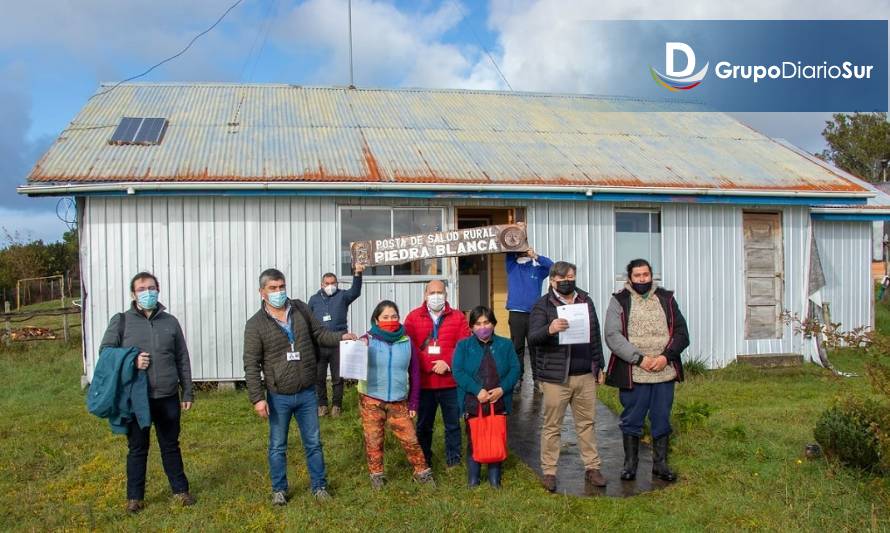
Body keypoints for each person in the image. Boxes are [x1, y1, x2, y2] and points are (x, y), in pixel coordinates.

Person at [243, 268, 356, 505]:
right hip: (278, 396)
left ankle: (319, 486)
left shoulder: (301, 309)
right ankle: (279, 490)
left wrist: (341, 337)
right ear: (262, 292)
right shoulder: (255, 324)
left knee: (313, 443)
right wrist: (257, 398)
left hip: (307, 392)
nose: (279, 292)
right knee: (277, 446)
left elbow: (320, 333)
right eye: (273, 288)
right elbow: (251, 364)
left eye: (281, 286)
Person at [99, 272, 195, 514]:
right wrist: (131, 360)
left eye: (151, 288)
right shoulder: (121, 321)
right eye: (141, 289)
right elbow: (106, 352)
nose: (147, 292)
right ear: (133, 294)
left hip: (167, 395)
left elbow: (182, 358)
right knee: (138, 448)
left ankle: (180, 491)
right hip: (136, 398)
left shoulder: (170, 322)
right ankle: (135, 498)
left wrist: (188, 392)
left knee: (171, 445)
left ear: (158, 290)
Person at [604, 258, 689, 483]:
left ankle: (660, 465)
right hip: (634, 372)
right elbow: (612, 335)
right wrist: (639, 359)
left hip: (663, 371)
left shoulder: (666, 299)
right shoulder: (619, 301)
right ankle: (630, 465)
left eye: (646, 275)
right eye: (637, 276)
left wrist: (665, 357)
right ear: (629, 278)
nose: (642, 279)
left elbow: (681, 333)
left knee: (661, 418)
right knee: (632, 418)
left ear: (651, 276)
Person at [528, 261, 606, 492]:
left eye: (571, 277)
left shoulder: (585, 301)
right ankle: (550, 471)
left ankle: (592, 467)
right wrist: (550, 329)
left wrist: (599, 365)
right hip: (556, 378)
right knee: (552, 426)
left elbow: (595, 334)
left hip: (584, 375)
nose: (567, 281)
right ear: (552, 281)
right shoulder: (542, 306)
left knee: (587, 424)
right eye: (562, 279)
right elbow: (533, 338)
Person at [357, 300, 435, 489]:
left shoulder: (406, 341)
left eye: (394, 316)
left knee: (410, 439)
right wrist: (358, 346)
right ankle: (376, 475)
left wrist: (414, 402)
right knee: (374, 439)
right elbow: (353, 361)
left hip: (399, 401)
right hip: (371, 398)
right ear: (376, 320)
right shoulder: (367, 339)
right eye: (385, 317)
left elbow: (415, 373)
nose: (390, 320)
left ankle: (422, 473)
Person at [404, 280, 471, 468]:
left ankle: (454, 460)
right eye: (432, 292)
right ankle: (423, 460)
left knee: (453, 425)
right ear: (425, 295)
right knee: (424, 425)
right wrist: (427, 364)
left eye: (439, 292)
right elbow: (409, 346)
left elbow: (463, 345)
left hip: (450, 383)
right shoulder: (413, 318)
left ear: (446, 295)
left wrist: (447, 363)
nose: (436, 296)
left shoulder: (458, 317)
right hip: (424, 384)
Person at [452, 306, 520, 488]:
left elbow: (515, 369)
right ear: (472, 327)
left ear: (494, 324)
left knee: (496, 437)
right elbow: (458, 371)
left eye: (486, 322)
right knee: (474, 438)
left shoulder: (505, 345)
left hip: (498, 400)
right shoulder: (463, 346)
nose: (483, 327)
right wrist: (476, 390)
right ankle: (473, 479)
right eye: (478, 323)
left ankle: (494, 479)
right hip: (473, 402)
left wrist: (501, 389)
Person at [308, 264, 364, 418]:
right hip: (319, 344)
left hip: (340, 343)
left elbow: (356, 291)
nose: (330, 286)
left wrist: (357, 273)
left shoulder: (343, 296)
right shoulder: (314, 300)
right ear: (322, 284)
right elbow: (309, 321)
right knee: (318, 377)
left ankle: (337, 406)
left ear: (337, 284)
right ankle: (322, 405)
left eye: (333, 283)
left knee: (337, 377)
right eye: (327, 283)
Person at [505, 248, 553, 391]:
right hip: (516, 313)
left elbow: (553, 267)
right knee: (517, 347)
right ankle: (517, 378)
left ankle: (538, 379)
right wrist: (517, 248)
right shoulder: (512, 266)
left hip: (535, 314)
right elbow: (508, 248)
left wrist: (535, 256)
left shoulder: (537, 269)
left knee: (536, 347)